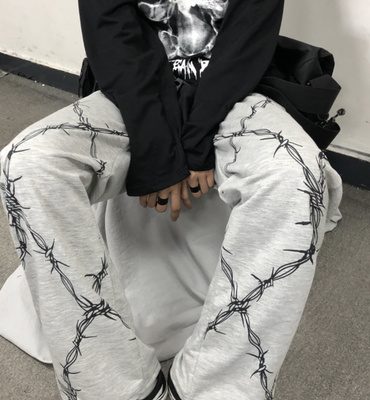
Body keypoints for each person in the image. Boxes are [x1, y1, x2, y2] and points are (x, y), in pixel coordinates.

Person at [0, 0, 343, 399]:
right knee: (28, 162)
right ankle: (114, 388)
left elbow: (248, 37)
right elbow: (110, 32)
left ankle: (213, 388)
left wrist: (196, 144)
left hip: (240, 95)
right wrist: (156, 150)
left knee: (297, 174)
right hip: (131, 99)